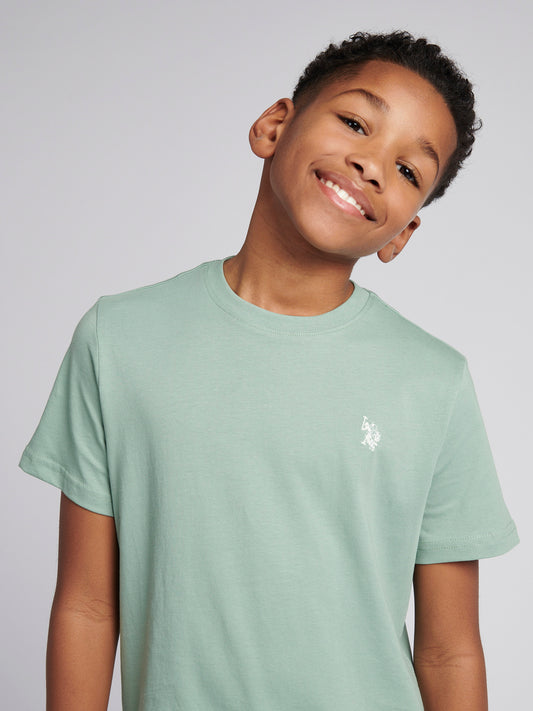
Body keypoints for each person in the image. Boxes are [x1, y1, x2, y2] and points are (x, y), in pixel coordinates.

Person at [19, 30, 519, 711]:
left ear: (402, 234)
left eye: (408, 171)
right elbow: (86, 604)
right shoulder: (119, 338)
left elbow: (448, 649)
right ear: (273, 126)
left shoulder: (433, 382)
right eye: (356, 123)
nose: (372, 165)